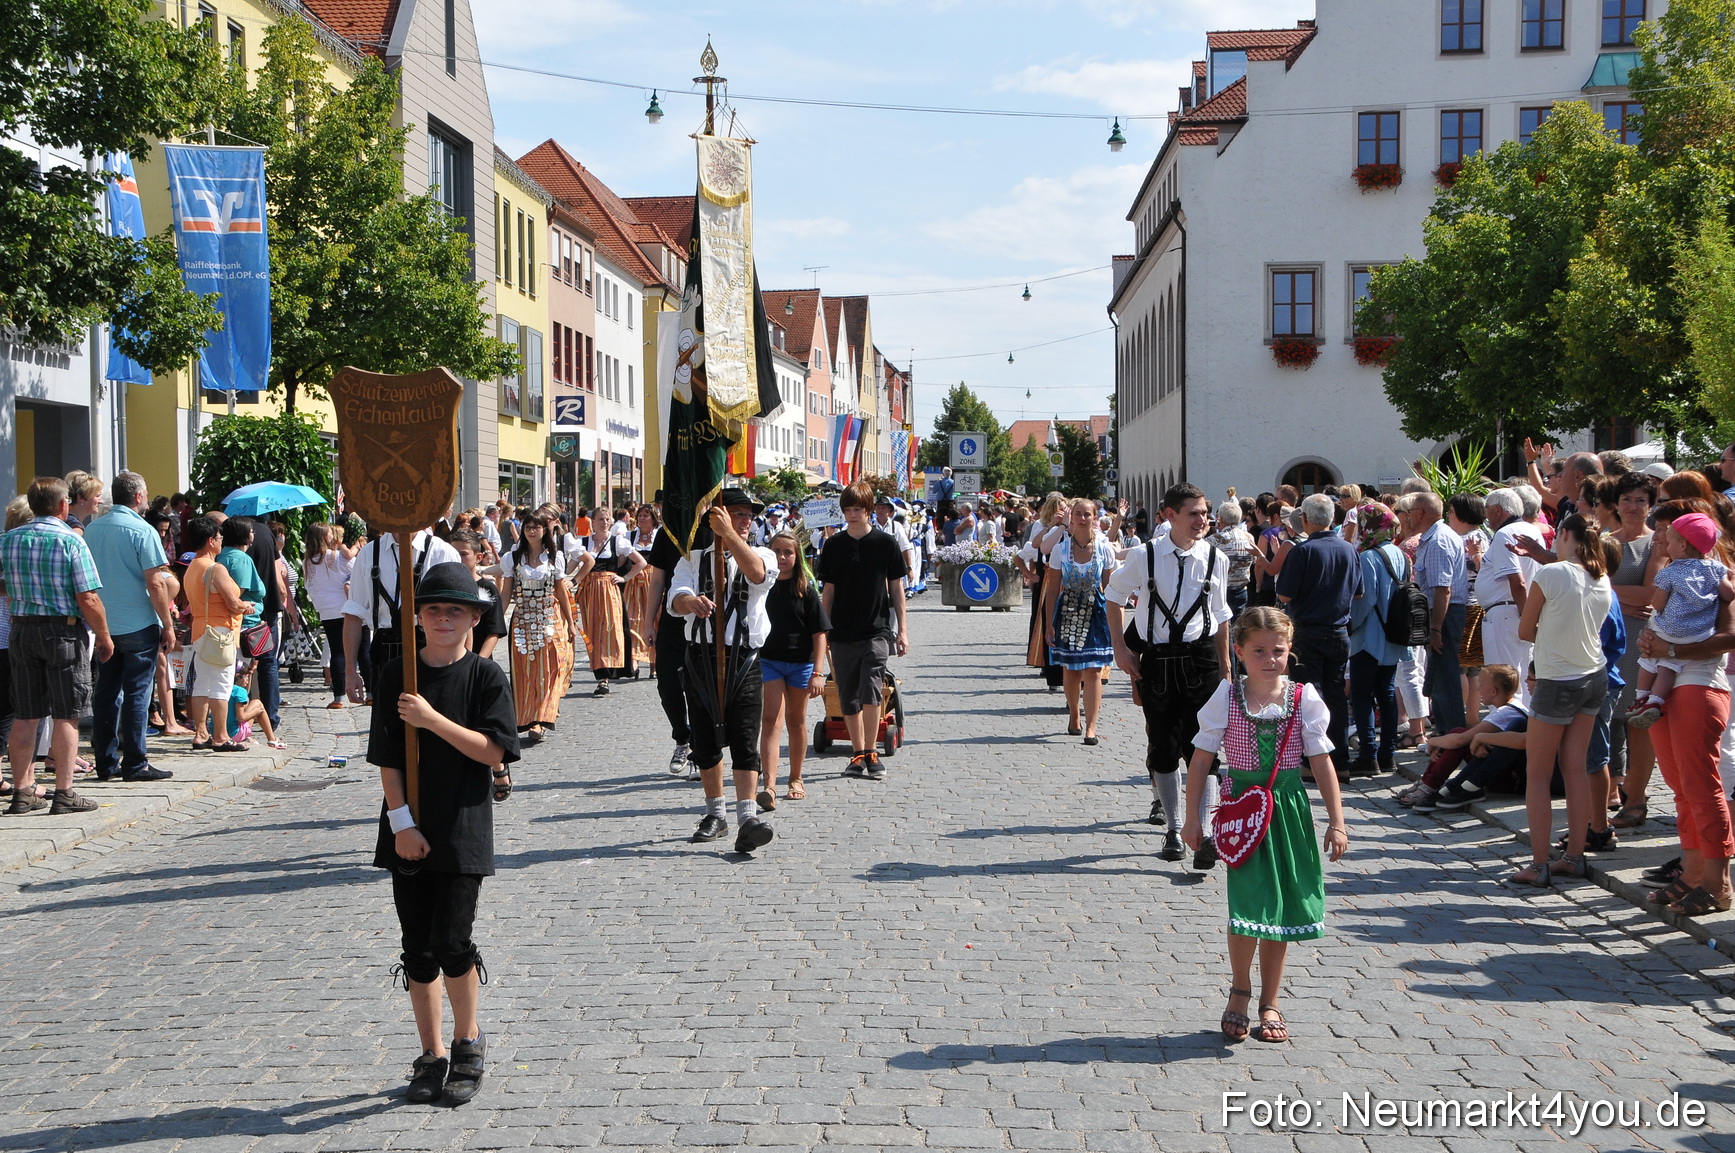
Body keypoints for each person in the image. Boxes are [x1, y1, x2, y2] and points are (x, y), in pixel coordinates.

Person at [367, 562, 520, 1106]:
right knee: (417, 948)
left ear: (475, 617)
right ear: (417, 618)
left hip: (462, 826)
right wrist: (401, 822)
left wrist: (431, 720)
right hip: (407, 826)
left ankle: (467, 1041)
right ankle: (429, 1053)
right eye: (433, 609)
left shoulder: (485, 677)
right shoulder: (397, 675)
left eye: (455, 609)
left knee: (452, 940)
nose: (444, 618)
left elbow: (494, 751)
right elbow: (386, 756)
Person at [1180, 607, 1347, 1044]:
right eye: (1259, 651)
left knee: (1283, 907)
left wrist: (1337, 822)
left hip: (1287, 808)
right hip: (1242, 813)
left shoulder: (1303, 699)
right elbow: (1201, 760)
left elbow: (1321, 762)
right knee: (1249, 905)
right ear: (1238, 652)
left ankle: (1270, 1000)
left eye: (1278, 650)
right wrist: (1192, 818)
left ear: (1290, 650)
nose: (1270, 659)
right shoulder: (1227, 697)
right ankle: (1240, 990)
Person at [1107, 483, 1231, 865]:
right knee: (1163, 745)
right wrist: (1121, 649)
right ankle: (1174, 828)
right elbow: (1113, 596)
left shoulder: (1215, 558)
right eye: (1193, 513)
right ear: (1169, 516)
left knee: (1205, 747)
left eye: (1205, 512)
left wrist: (1226, 667)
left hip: (1201, 659)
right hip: (1159, 660)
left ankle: (1205, 831)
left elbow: (1222, 616)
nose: (1202, 520)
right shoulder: (1145, 555)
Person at [669, 489, 778, 853]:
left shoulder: (762, 553)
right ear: (717, 517)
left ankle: (747, 817)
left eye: (749, 515)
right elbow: (676, 599)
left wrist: (730, 534)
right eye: (738, 514)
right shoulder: (693, 558)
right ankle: (715, 813)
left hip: (744, 658)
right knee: (705, 738)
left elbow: (758, 574)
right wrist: (691, 602)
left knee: (745, 737)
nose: (746, 520)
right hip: (701, 656)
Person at [1510, 514, 1614, 887]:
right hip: (1593, 675)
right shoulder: (1601, 576)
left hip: (1558, 678)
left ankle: (1539, 865)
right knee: (1574, 768)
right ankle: (1574, 856)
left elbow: (1525, 629)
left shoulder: (1551, 574)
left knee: (1537, 773)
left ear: (1564, 535)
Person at [0, 478, 113, 814]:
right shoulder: (70, 540)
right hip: (63, 631)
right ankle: (64, 792)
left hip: (21, 629)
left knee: (26, 714)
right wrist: (104, 637)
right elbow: (88, 597)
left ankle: (22, 790)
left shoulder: (7, 541)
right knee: (67, 714)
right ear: (63, 504)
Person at [83, 471, 178, 783]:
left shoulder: (92, 530)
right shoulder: (142, 530)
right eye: (146, 494)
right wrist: (167, 623)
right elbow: (155, 582)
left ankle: (106, 761)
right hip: (138, 621)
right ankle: (135, 761)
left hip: (105, 623)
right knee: (137, 692)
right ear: (138, 497)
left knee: (106, 691)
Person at [817, 480, 910, 781]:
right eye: (847, 509)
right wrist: (822, 628)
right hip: (841, 632)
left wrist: (902, 630)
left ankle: (870, 750)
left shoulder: (885, 543)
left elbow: (896, 589)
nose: (852, 515)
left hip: (876, 630)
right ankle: (858, 752)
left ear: (869, 510)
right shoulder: (833, 544)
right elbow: (827, 591)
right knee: (848, 696)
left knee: (871, 690)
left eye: (857, 509)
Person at [1275, 494, 1361, 777]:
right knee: (1336, 695)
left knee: (1305, 697)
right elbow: (1358, 592)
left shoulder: (1302, 551)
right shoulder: (1349, 549)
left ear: (1307, 520)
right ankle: (1339, 762)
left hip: (1307, 631)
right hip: (1339, 630)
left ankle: (1311, 762)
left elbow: (1284, 593)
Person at [1628, 512, 1730, 729]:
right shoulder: (1717, 569)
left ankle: (1642, 696)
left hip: (1670, 630)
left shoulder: (1670, 572)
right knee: (1668, 664)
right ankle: (1655, 700)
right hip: (1700, 633)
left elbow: (1658, 605)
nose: (1662, 540)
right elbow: (1729, 594)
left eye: (1670, 539)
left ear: (1682, 546)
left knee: (1649, 659)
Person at [342, 527, 461, 704]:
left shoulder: (442, 552)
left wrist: (461, 668)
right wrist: (350, 671)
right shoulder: (369, 553)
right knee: (386, 725)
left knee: (433, 721)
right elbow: (354, 613)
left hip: (433, 647)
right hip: (384, 649)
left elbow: (460, 612)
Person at [757, 529, 829, 807]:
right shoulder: (761, 585)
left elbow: (819, 633)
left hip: (801, 663)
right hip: (769, 660)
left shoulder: (805, 589)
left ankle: (796, 778)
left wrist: (818, 672)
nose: (782, 557)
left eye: (787, 552)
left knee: (796, 721)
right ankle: (769, 784)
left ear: (797, 556)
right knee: (770, 720)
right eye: (776, 552)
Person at [1042, 497, 1118, 744]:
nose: (1083, 519)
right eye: (1078, 514)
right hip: (1068, 610)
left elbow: (1110, 587)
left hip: (1095, 611)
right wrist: (1049, 622)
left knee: (1094, 670)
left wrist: (1117, 621)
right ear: (1071, 517)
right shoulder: (1060, 550)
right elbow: (1052, 590)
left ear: (1095, 518)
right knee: (1072, 670)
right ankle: (1074, 714)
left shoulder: (1104, 549)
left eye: (1088, 514)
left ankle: (1091, 726)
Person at [499, 513, 576, 739]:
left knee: (550, 669)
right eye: (528, 527)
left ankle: (542, 718)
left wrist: (570, 622)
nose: (531, 531)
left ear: (545, 530)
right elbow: (506, 593)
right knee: (524, 671)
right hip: (522, 620)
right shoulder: (512, 558)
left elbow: (561, 592)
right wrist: (495, 621)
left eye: (536, 527)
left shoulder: (555, 557)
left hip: (548, 618)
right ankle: (526, 715)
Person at [1348, 505, 1409, 776]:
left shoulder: (1369, 557)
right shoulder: (1401, 554)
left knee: (1362, 695)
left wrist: (1350, 625)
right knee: (1386, 693)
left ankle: (1368, 754)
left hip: (1369, 637)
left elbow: (1364, 600)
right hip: (1394, 634)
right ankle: (1388, 754)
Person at [183, 514, 251, 753]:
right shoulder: (215, 567)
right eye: (219, 537)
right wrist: (246, 605)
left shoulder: (192, 566)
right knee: (222, 684)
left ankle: (200, 732)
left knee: (202, 682)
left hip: (201, 629)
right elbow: (233, 603)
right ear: (211, 540)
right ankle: (220, 736)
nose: (221, 541)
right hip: (221, 630)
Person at [1476, 489, 1542, 708]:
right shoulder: (1531, 529)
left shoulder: (1506, 534)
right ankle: (1522, 730)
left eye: (1488, 510)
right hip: (1519, 611)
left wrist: (1525, 617)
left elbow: (1518, 580)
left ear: (1497, 510)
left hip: (1506, 613)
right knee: (1521, 677)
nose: (1486, 516)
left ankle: (1504, 729)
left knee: (1502, 679)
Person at [1411, 493, 1470, 734]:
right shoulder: (1434, 538)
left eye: (1411, 510)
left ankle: (1453, 738)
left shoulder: (1438, 541)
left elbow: (1442, 590)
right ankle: (1446, 735)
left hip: (1444, 615)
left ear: (1421, 512)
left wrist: (1436, 628)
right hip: (1442, 614)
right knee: (1439, 679)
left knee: (1446, 680)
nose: (1408, 515)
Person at [571, 511, 645, 696]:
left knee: (610, 630)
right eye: (600, 520)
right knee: (592, 631)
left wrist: (624, 578)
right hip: (589, 591)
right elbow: (569, 568)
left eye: (607, 519)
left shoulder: (617, 542)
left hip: (609, 590)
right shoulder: (583, 543)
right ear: (593, 522)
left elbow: (641, 562)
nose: (604, 523)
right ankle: (600, 674)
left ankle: (606, 675)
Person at [1017, 492, 1068, 693]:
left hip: (1069, 577)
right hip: (1048, 575)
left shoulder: (1072, 526)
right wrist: (1030, 574)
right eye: (1060, 509)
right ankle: (1048, 667)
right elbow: (1038, 547)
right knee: (1045, 622)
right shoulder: (1042, 525)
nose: (1064, 513)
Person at [304, 523, 357, 710]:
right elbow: (356, 569)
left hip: (326, 609)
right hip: (344, 606)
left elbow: (310, 585)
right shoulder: (334, 557)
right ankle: (363, 689)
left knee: (336, 650)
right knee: (354, 648)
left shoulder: (309, 561)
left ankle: (339, 696)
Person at [446, 530, 506, 659]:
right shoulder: (444, 587)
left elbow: (494, 631)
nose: (457, 558)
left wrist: (479, 662)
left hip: (477, 658)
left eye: (463, 554)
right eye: (453, 554)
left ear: (478, 557)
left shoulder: (488, 589)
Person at [625, 506, 661, 673]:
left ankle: (654, 662)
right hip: (634, 582)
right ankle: (635, 658)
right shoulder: (629, 536)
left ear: (653, 518)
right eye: (639, 515)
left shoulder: (659, 536)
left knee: (655, 619)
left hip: (655, 580)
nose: (641, 518)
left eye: (646, 515)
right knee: (633, 619)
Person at [1210, 501, 1258, 618]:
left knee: (1221, 624)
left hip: (1222, 590)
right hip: (1242, 588)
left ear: (1220, 519)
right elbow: (1254, 560)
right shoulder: (1249, 537)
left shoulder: (1215, 539)